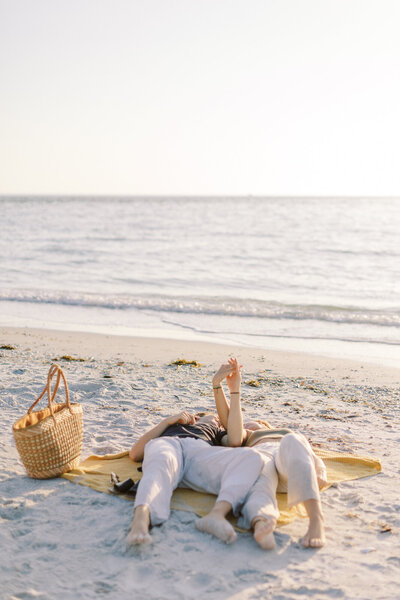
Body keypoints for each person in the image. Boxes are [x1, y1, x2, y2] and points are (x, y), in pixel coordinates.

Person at [210, 358, 327, 549]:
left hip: (286, 464)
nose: (249, 422)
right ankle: (261, 522)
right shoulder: (248, 436)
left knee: (293, 440)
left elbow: (308, 454)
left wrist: (320, 469)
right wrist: (225, 387)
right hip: (260, 457)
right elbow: (233, 435)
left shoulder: (285, 433)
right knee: (260, 483)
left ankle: (316, 520)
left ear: (266, 424)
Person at [126, 410, 264, 546]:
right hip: (170, 444)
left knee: (253, 457)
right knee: (160, 464)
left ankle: (216, 515)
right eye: (214, 418)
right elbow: (135, 453)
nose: (218, 421)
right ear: (197, 417)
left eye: (219, 421)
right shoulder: (174, 425)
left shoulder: (218, 432)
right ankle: (140, 522)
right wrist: (167, 421)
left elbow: (236, 440)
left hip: (200, 451)